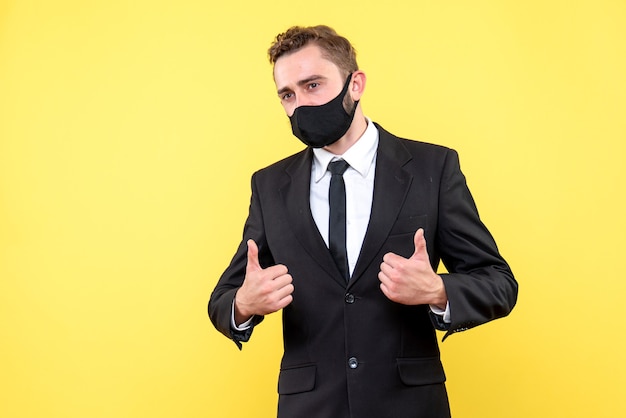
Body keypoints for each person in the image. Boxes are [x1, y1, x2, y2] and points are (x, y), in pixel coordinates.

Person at [208, 25, 517, 418]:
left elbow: (499, 282)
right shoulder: (269, 186)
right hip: (311, 407)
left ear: (355, 84)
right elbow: (223, 300)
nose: (300, 104)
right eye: (287, 94)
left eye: (313, 85)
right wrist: (243, 304)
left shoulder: (432, 168)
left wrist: (439, 290)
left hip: (409, 405)